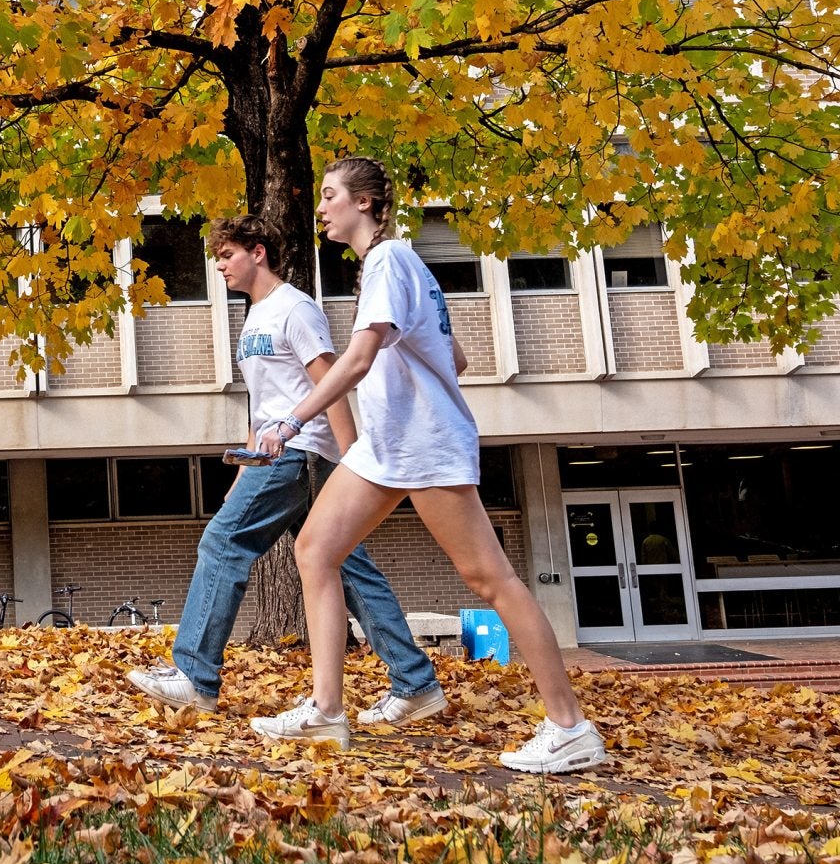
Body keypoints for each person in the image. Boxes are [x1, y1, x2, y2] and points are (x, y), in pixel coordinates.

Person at [249, 157, 610, 774]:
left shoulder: (388, 260)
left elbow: (359, 360)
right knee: (314, 550)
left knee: (488, 579)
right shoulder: (395, 266)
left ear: (362, 202)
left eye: (331, 195)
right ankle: (327, 711)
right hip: (387, 446)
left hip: (424, 445)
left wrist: (291, 420)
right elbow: (457, 357)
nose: (322, 207)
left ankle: (570, 727)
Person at [125, 216, 448, 733]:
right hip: (274, 454)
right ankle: (415, 682)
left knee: (223, 542)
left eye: (228, 255)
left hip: (302, 453)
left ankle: (194, 674)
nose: (221, 266)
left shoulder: (295, 308)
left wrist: (349, 464)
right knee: (347, 567)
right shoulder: (254, 319)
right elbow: (265, 404)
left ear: (258, 252)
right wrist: (243, 471)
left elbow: (331, 382)